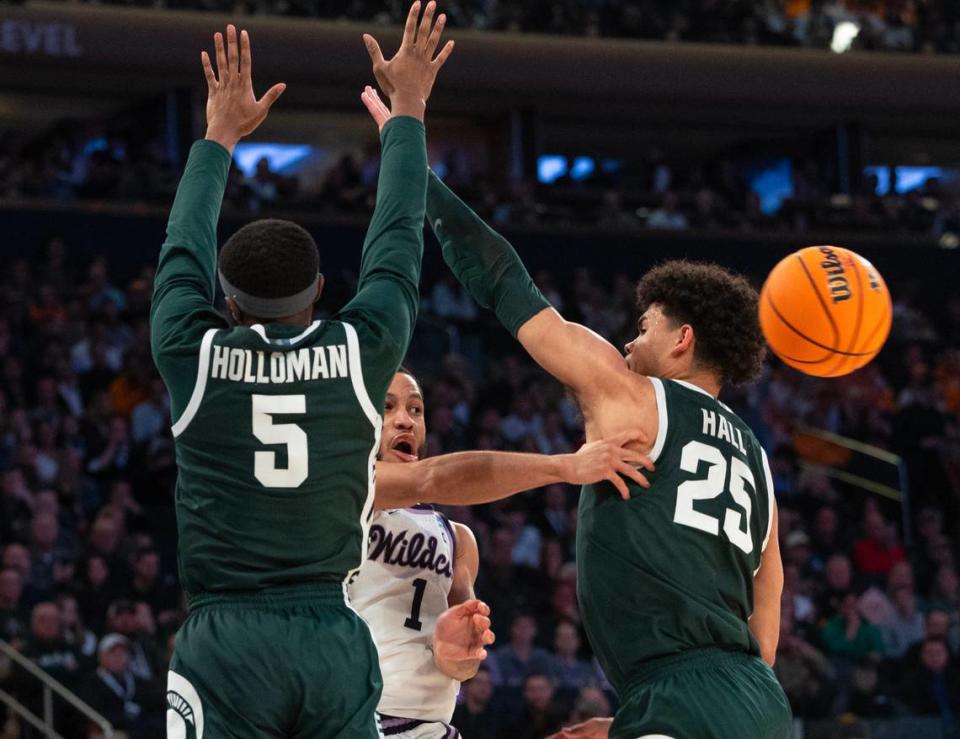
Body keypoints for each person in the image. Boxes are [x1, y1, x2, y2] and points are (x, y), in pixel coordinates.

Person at [359, 88, 790, 738]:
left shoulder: (633, 394)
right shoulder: (756, 457)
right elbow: (766, 614)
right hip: (751, 699)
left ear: (682, 339)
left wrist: (410, 164)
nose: (628, 343)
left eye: (643, 328)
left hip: (676, 690)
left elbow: (505, 281)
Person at [152, 9, 455, 737]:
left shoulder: (190, 353)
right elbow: (396, 241)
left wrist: (217, 136)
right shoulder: (359, 351)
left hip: (226, 637)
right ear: (320, 291)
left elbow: (182, 243)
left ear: (227, 302)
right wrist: (408, 112)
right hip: (331, 632)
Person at [350, 368, 651, 738]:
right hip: (354, 720)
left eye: (416, 410)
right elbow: (435, 478)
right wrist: (566, 466)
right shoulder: (344, 494)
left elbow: (464, 668)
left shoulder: (457, 538)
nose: (405, 421)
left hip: (429, 727)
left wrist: (454, 647)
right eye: (388, 407)